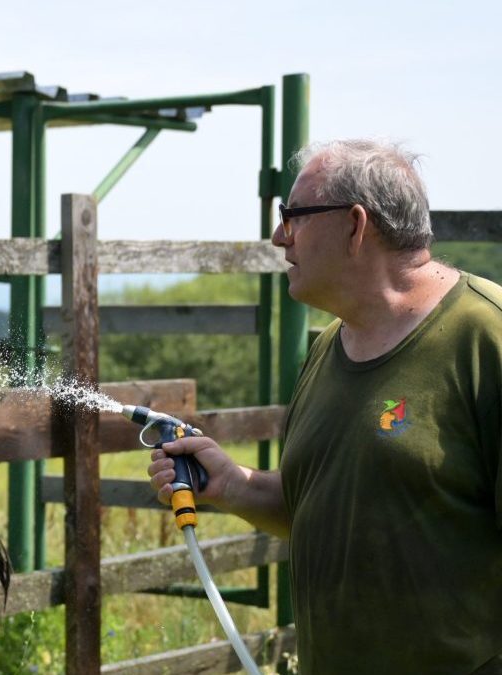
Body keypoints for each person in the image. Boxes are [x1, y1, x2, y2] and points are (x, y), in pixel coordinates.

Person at [147, 139, 502, 674]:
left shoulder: (486, 340)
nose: (277, 237)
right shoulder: (328, 346)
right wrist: (236, 485)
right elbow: (328, 505)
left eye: (293, 217)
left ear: (355, 226)